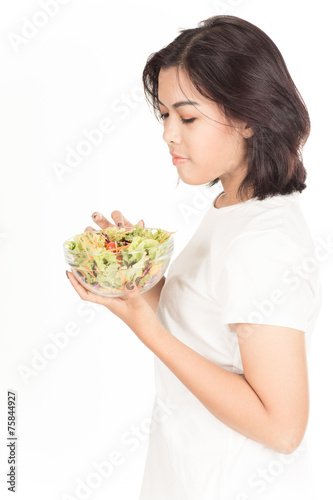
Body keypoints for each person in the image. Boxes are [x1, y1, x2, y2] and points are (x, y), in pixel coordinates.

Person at [66, 15, 322, 500]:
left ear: (249, 117)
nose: (168, 134)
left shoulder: (263, 243)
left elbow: (283, 428)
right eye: (164, 115)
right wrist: (132, 271)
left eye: (187, 117)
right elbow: (210, 322)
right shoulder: (235, 207)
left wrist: (147, 329)